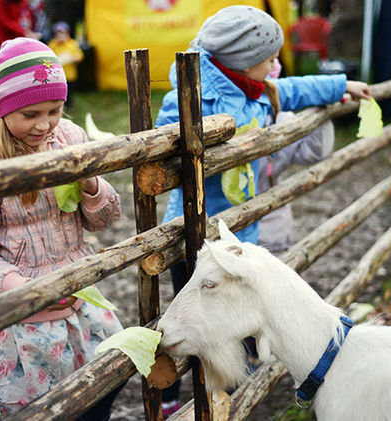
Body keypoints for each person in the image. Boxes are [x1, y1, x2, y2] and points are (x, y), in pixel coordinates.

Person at [154, 6, 370, 416]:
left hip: (239, 232)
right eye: (270, 59)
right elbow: (165, 146)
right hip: (195, 237)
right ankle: (171, 397)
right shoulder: (194, 96)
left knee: (238, 314)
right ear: (243, 60)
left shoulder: (254, 86)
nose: (275, 66)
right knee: (190, 318)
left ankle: (235, 389)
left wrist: (342, 86)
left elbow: (292, 89)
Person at [0, 38, 124, 417]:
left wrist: (91, 183)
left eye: (55, 110)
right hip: (25, 327)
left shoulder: (70, 140)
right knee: (42, 411)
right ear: (2, 108)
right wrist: (29, 290)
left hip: (82, 305)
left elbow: (105, 220)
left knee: (100, 394)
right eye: (30, 114)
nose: (44, 125)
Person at [257, 58, 335, 253]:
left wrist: (319, 112)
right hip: (244, 224)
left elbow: (312, 152)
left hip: (271, 228)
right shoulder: (232, 116)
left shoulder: (283, 120)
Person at [48, 21, 83, 108]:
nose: (60, 36)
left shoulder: (72, 44)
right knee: (58, 91)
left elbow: (79, 55)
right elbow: (48, 57)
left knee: (69, 91)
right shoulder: (52, 44)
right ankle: (59, 105)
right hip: (57, 75)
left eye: (63, 34)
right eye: (58, 34)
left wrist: (73, 58)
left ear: (68, 34)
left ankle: (69, 104)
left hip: (70, 75)